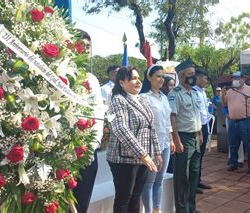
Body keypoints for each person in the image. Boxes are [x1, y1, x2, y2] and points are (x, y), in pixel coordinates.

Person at [106, 67, 162, 213]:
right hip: (123, 159)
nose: (138, 81)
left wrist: (157, 152)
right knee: (124, 198)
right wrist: (143, 155)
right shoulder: (118, 100)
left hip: (143, 158)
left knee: (136, 196)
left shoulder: (142, 99)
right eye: (133, 78)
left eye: (138, 78)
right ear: (122, 82)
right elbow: (120, 129)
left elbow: (151, 127)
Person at [71, 29, 104, 213]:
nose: (84, 50)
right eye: (80, 45)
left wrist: (92, 145)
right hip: (62, 155)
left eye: (88, 46)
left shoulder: (92, 79)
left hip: (87, 152)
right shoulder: (57, 74)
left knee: (81, 204)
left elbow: (98, 113)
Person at [168, 59, 202, 213]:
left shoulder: (195, 92)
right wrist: (176, 139)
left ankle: (191, 208)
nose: (194, 77)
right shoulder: (175, 94)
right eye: (191, 75)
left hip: (195, 137)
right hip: (183, 138)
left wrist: (200, 132)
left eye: (194, 74)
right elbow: (172, 118)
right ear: (181, 77)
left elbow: (197, 115)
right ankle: (182, 210)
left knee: (194, 175)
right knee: (182, 178)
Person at [140, 65, 175, 213]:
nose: (161, 79)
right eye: (158, 76)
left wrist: (171, 139)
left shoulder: (164, 97)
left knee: (159, 180)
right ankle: (148, 210)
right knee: (149, 182)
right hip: (151, 146)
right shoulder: (144, 98)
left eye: (163, 76)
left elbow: (167, 122)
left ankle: (157, 209)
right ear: (149, 78)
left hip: (165, 144)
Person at [224, 71, 250, 174]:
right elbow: (225, 103)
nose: (235, 80)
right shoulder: (230, 91)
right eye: (233, 78)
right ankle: (233, 163)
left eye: (237, 78)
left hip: (246, 121)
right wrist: (223, 95)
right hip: (233, 121)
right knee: (233, 144)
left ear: (243, 79)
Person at [192, 69, 213, 194]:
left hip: (204, 126)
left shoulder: (202, 92)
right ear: (198, 78)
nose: (206, 81)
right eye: (205, 78)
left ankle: (198, 180)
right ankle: (193, 184)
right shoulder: (194, 92)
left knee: (201, 156)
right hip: (197, 127)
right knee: (196, 156)